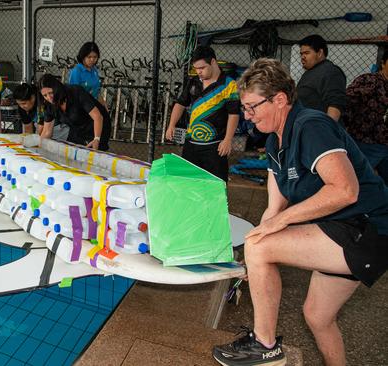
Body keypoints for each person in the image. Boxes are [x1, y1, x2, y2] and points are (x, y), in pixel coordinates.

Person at [212, 58, 388, 366]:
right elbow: (274, 209)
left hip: (367, 230)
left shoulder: (312, 125)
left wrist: (265, 240)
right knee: (317, 317)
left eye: (253, 107)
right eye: (245, 108)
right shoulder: (273, 142)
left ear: (280, 99)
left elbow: (345, 190)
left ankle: (264, 346)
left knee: (260, 247)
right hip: (340, 229)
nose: (247, 116)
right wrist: (252, 257)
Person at [164, 46, 239, 182]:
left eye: (202, 68)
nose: (198, 72)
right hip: (191, 144)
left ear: (213, 62)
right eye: (196, 68)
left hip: (215, 147)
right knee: (188, 182)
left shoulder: (229, 85)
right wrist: (171, 125)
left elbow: (233, 114)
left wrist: (228, 139)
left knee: (216, 184)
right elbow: (180, 103)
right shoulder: (193, 82)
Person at [342, 52, 388, 184]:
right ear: (383, 63)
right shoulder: (370, 80)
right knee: (357, 180)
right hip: (366, 142)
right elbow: (346, 100)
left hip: (383, 143)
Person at [39, 74, 110, 151]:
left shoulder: (76, 92)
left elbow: (97, 116)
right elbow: (47, 131)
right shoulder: (48, 105)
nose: (49, 98)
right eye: (45, 95)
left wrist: (97, 139)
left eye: (51, 93)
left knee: (96, 155)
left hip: (99, 126)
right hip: (78, 129)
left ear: (56, 88)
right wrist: (39, 148)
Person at [296, 35, 346, 121]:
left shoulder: (330, 72)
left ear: (319, 53)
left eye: (307, 53)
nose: (302, 57)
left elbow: (335, 105)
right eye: (301, 54)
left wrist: (326, 130)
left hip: (317, 128)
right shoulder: (310, 72)